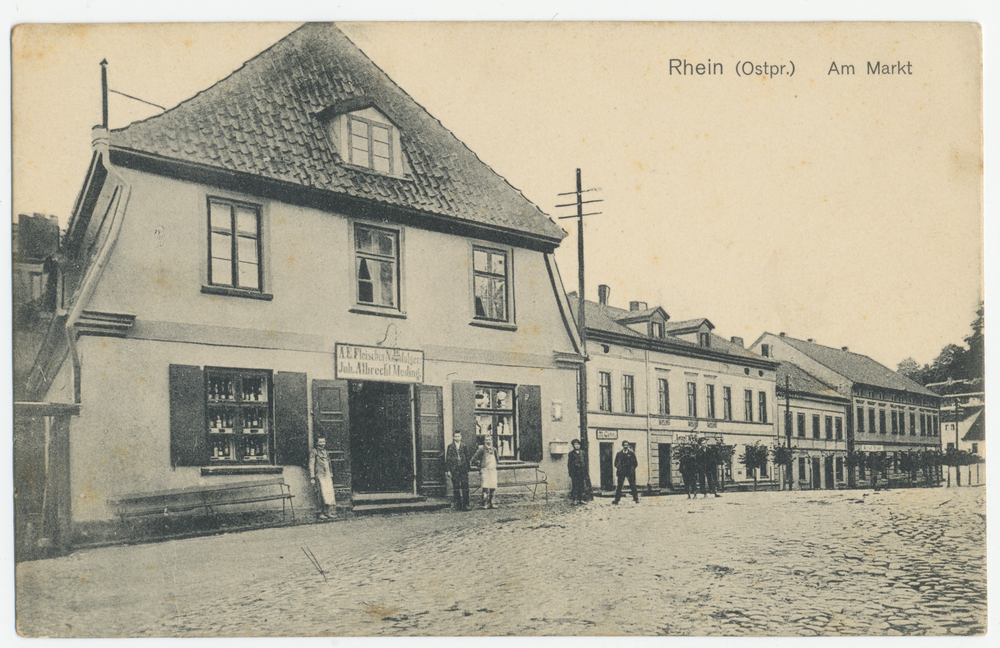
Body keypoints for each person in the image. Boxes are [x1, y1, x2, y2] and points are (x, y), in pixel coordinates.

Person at [309, 437, 337, 520]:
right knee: (320, 494)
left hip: (327, 476)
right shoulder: (314, 452)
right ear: (317, 443)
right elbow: (311, 465)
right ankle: (320, 513)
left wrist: (330, 474)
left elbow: (329, 464)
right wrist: (312, 477)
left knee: (328, 494)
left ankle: (327, 512)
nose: (322, 443)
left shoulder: (326, 452)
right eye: (320, 442)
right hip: (319, 476)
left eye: (323, 442)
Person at [445, 430, 473, 511]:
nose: (457, 438)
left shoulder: (464, 446)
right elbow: (448, 459)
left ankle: (466, 504)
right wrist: (448, 470)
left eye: (458, 436)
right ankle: (458, 504)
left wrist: (468, 468)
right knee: (456, 487)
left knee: (465, 487)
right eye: (455, 436)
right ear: (453, 437)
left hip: (463, 469)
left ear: (461, 437)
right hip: (454, 469)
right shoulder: (450, 447)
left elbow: (467, 457)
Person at [472, 435, 500, 509]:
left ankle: (492, 503)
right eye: (486, 440)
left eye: (489, 440)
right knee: (485, 487)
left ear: (491, 441)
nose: (488, 441)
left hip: (493, 470)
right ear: (484, 441)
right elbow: (474, 459)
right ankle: (484, 504)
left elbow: (497, 459)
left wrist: (495, 465)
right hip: (485, 470)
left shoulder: (494, 449)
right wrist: (480, 465)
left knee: (493, 487)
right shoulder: (481, 449)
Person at [613, 440, 639, 504]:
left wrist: (632, 469)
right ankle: (616, 500)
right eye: (624, 445)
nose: (626, 446)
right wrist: (619, 468)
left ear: (628, 446)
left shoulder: (632, 454)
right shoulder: (619, 454)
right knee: (619, 486)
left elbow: (635, 463)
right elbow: (616, 463)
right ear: (622, 445)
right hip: (621, 472)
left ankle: (636, 499)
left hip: (629, 472)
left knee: (633, 485)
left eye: (627, 445)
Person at [567, 438, 587, 504]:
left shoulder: (582, 452)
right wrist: (570, 473)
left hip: (582, 472)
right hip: (575, 472)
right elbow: (569, 464)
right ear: (573, 445)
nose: (577, 446)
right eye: (575, 444)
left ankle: (581, 499)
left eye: (578, 444)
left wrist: (585, 471)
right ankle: (575, 500)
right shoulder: (571, 454)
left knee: (582, 486)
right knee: (575, 486)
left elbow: (585, 462)